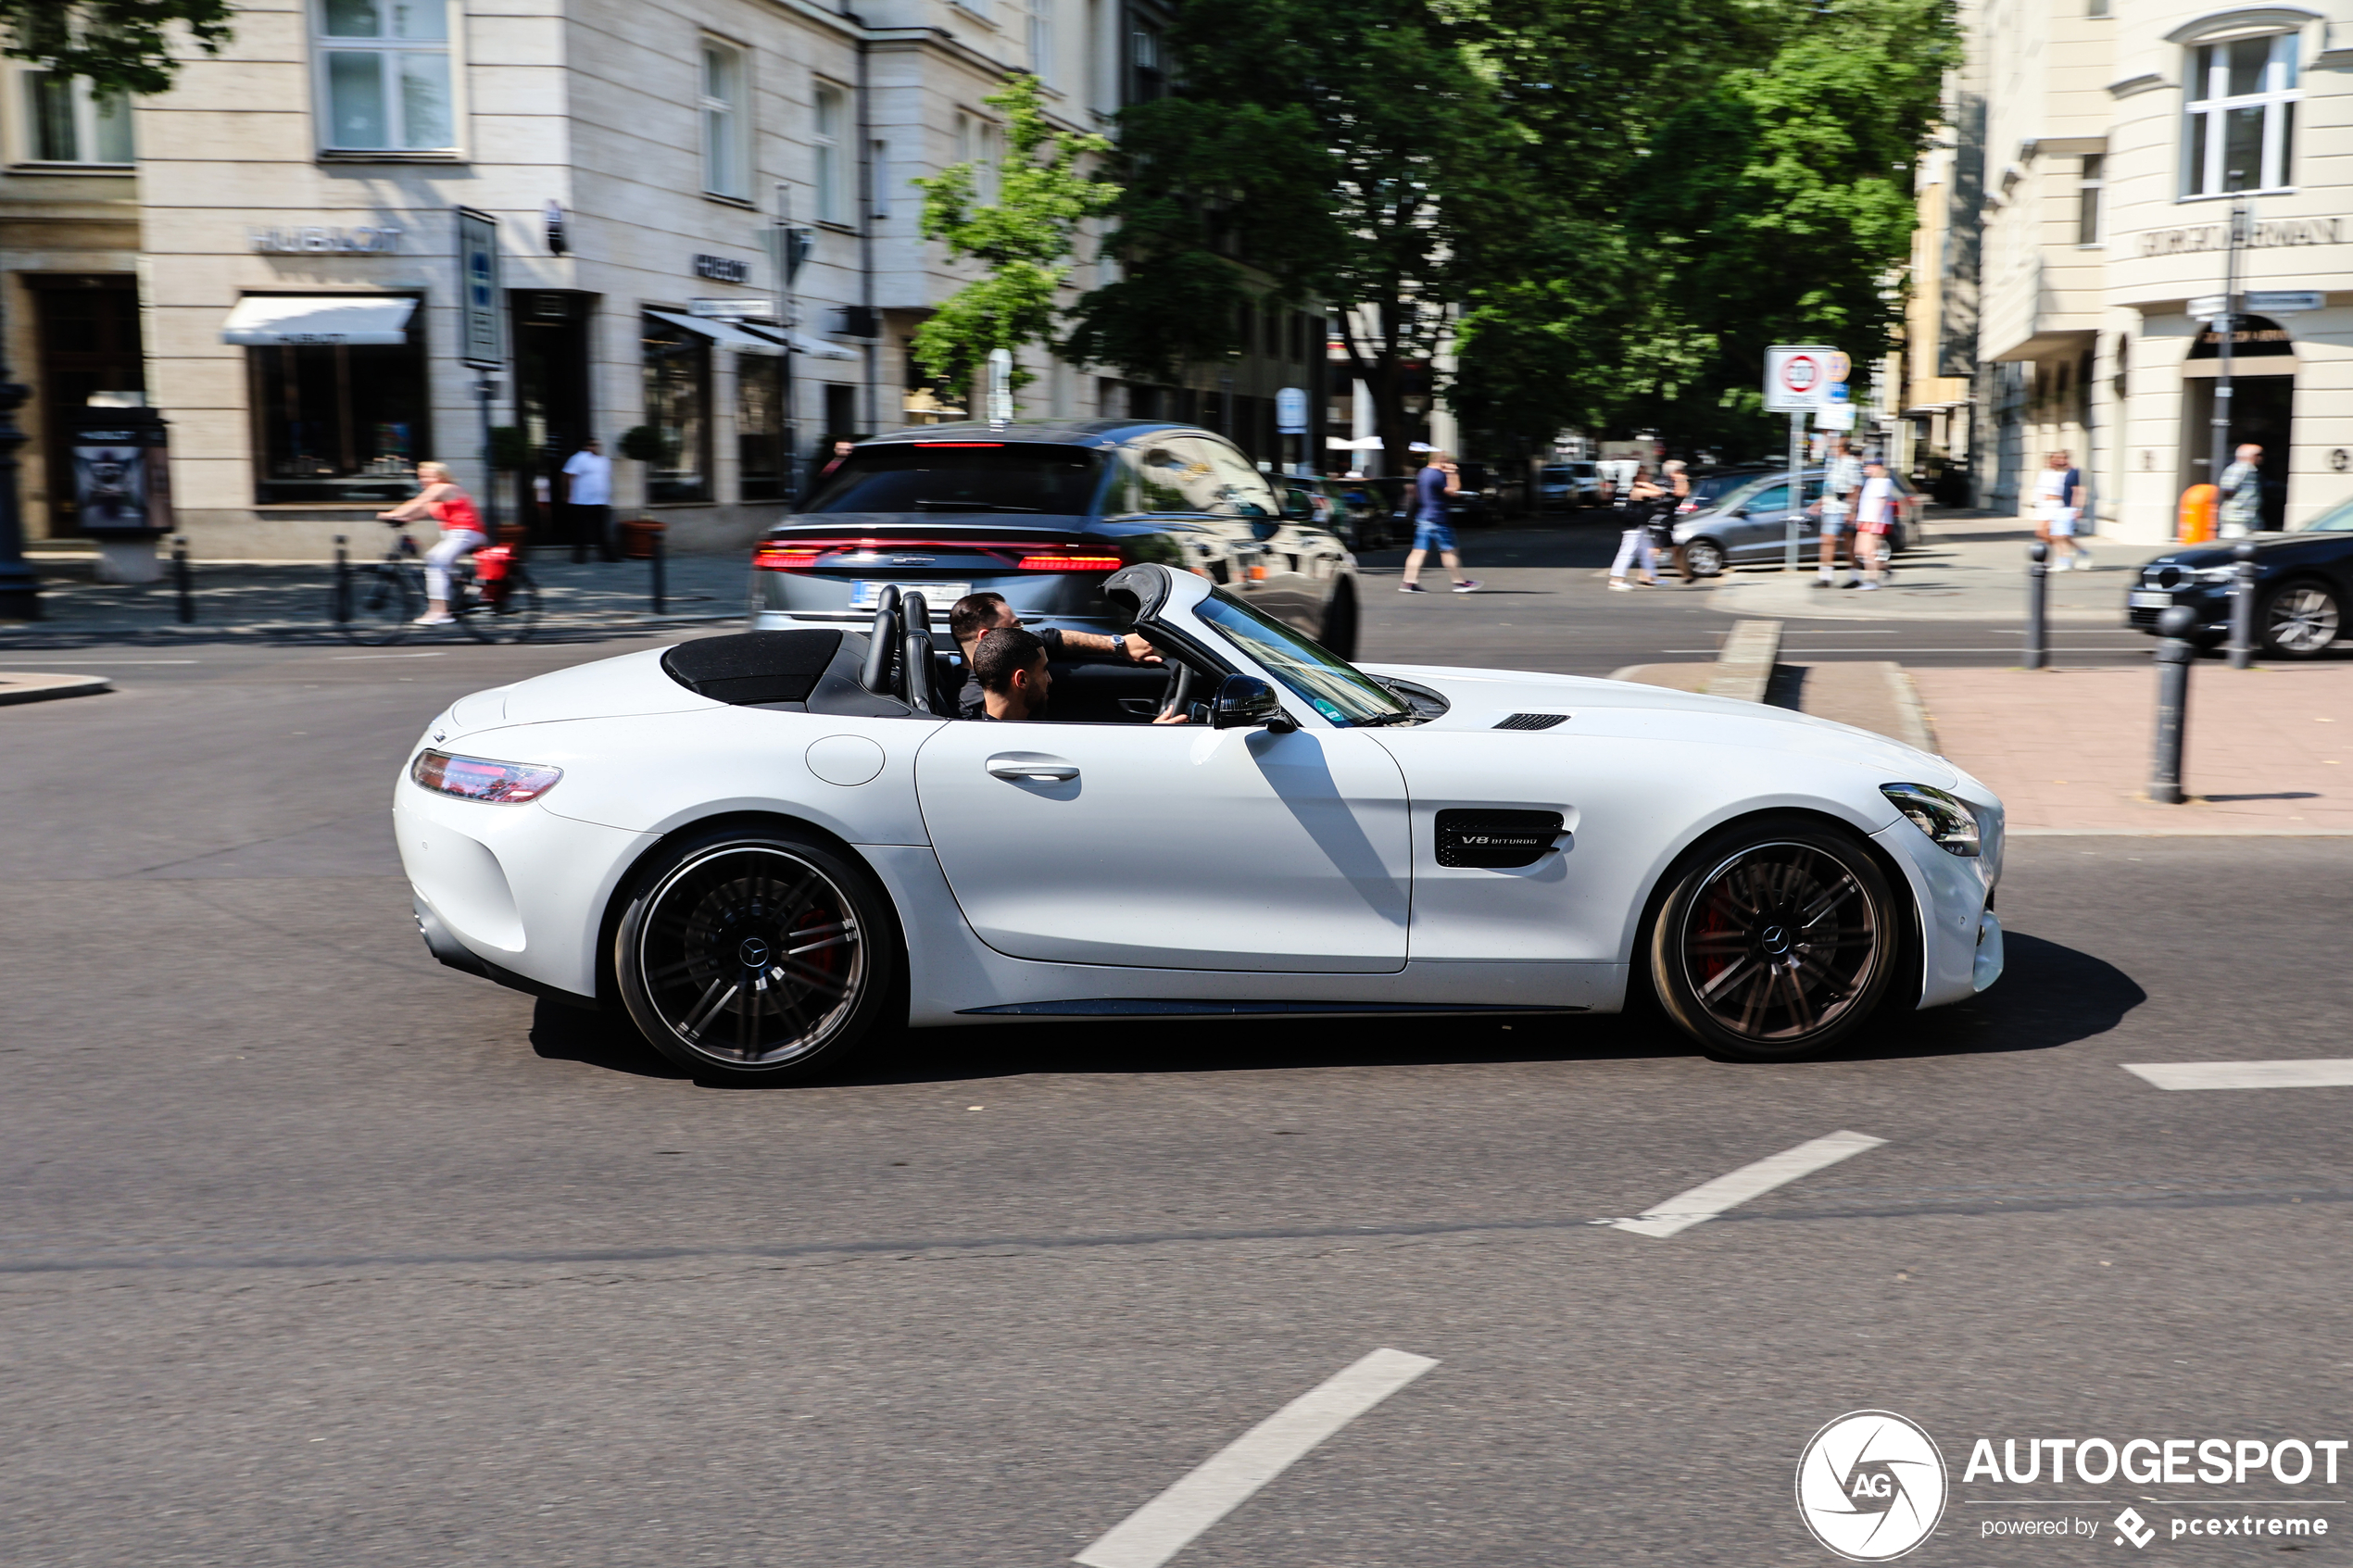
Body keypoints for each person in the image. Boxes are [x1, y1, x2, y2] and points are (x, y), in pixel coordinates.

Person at [947, 592, 1159, 720]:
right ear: (986, 638)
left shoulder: (1010, 663)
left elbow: (1051, 637)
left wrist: (1118, 645)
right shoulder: (976, 704)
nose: (1023, 631)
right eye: (1016, 626)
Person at [376, 461, 484, 626]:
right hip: (456, 536)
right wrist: (403, 519)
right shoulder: (436, 498)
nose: (422, 479)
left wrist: (392, 514)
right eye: (420, 476)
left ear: (440, 476)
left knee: (434, 560)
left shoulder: (444, 487)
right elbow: (419, 511)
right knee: (438, 563)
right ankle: (460, 590)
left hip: (466, 533)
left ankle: (440, 611)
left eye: (427, 476)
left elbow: (418, 502)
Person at [1399, 452, 1479, 594]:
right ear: (1442, 461)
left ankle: (1408, 582)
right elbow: (1453, 491)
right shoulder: (1438, 474)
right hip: (1438, 518)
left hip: (1423, 516)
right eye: (1448, 462)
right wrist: (1453, 473)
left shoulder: (1423, 473)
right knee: (1449, 551)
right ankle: (1459, 582)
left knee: (1418, 551)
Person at [1814, 438, 1864, 589]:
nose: (1832, 448)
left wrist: (1852, 510)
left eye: (1835, 446)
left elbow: (1855, 487)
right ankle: (1826, 576)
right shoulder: (1835, 463)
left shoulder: (1851, 463)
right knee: (1828, 541)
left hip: (1842, 507)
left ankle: (1854, 577)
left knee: (1844, 544)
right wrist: (1818, 504)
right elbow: (1830, 487)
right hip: (1832, 506)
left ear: (1843, 448)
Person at [1608, 463, 1665, 591]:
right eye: (1644, 474)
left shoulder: (1629, 489)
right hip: (1634, 527)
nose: (1647, 476)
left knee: (1646, 551)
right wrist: (1646, 484)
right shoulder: (1637, 490)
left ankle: (1650, 578)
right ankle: (1616, 580)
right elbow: (1659, 493)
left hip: (1639, 526)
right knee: (1627, 552)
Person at [2033, 449, 2091, 569]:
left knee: (2056, 535)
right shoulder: (2044, 473)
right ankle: (2080, 552)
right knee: (2042, 534)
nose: (2057, 461)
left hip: (2057, 505)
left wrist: (2077, 507)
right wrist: (2037, 503)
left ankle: (2053, 560)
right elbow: (2039, 489)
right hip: (2044, 505)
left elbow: (2075, 490)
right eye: (2055, 459)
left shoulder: (2066, 474)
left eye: (2061, 459)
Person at [560, 436, 614, 563]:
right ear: (586, 446)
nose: (595, 447)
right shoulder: (578, 458)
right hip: (582, 501)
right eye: (592, 444)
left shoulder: (604, 460)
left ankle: (608, 555)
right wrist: (565, 494)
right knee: (581, 530)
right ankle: (579, 557)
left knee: (602, 530)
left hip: (601, 501)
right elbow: (565, 476)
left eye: (597, 445)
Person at [1853, 461, 1897, 590]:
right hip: (1865, 519)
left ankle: (1872, 580)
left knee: (1868, 551)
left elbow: (1881, 501)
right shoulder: (1869, 481)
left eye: (1870, 466)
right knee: (1859, 550)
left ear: (1878, 467)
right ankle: (1885, 569)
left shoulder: (1883, 482)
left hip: (1876, 521)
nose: (1866, 469)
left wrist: (1876, 522)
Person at [2217, 442, 2264, 541]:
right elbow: (2227, 489)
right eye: (2259, 454)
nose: (2261, 458)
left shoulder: (2251, 470)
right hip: (2236, 520)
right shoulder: (2238, 469)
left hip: (2247, 519)